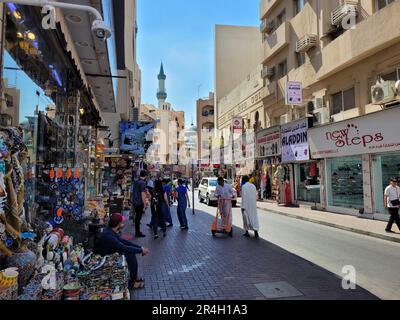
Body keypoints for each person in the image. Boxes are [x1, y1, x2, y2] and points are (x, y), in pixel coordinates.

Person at [95, 213, 150, 289]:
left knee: (130, 253)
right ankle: (132, 282)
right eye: (122, 222)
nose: (123, 224)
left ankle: (134, 279)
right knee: (130, 254)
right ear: (118, 224)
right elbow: (123, 246)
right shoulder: (108, 235)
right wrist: (140, 250)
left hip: (111, 253)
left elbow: (124, 242)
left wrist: (140, 248)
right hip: (105, 258)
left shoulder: (110, 231)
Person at [132, 170, 149, 238]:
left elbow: (133, 192)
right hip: (139, 202)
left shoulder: (136, 182)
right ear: (145, 176)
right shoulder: (142, 183)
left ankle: (137, 231)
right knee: (138, 218)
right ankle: (137, 233)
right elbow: (143, 194)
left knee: (137, 218)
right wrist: (144, 204)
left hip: (135, 202)